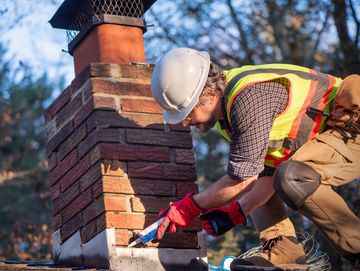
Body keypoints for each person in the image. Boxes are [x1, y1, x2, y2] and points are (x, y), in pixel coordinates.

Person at [150, 47, 360, 270]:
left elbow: (243, 178)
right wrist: (236, 212)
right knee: (269, 171)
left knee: (291, 177)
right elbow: (264, 174)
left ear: (210, 95)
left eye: (187, 112)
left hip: (350, 125)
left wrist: (189, 207)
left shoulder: (248, 98)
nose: (184, 123)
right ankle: (284, 253)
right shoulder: (225, 115)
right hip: (317, 144)